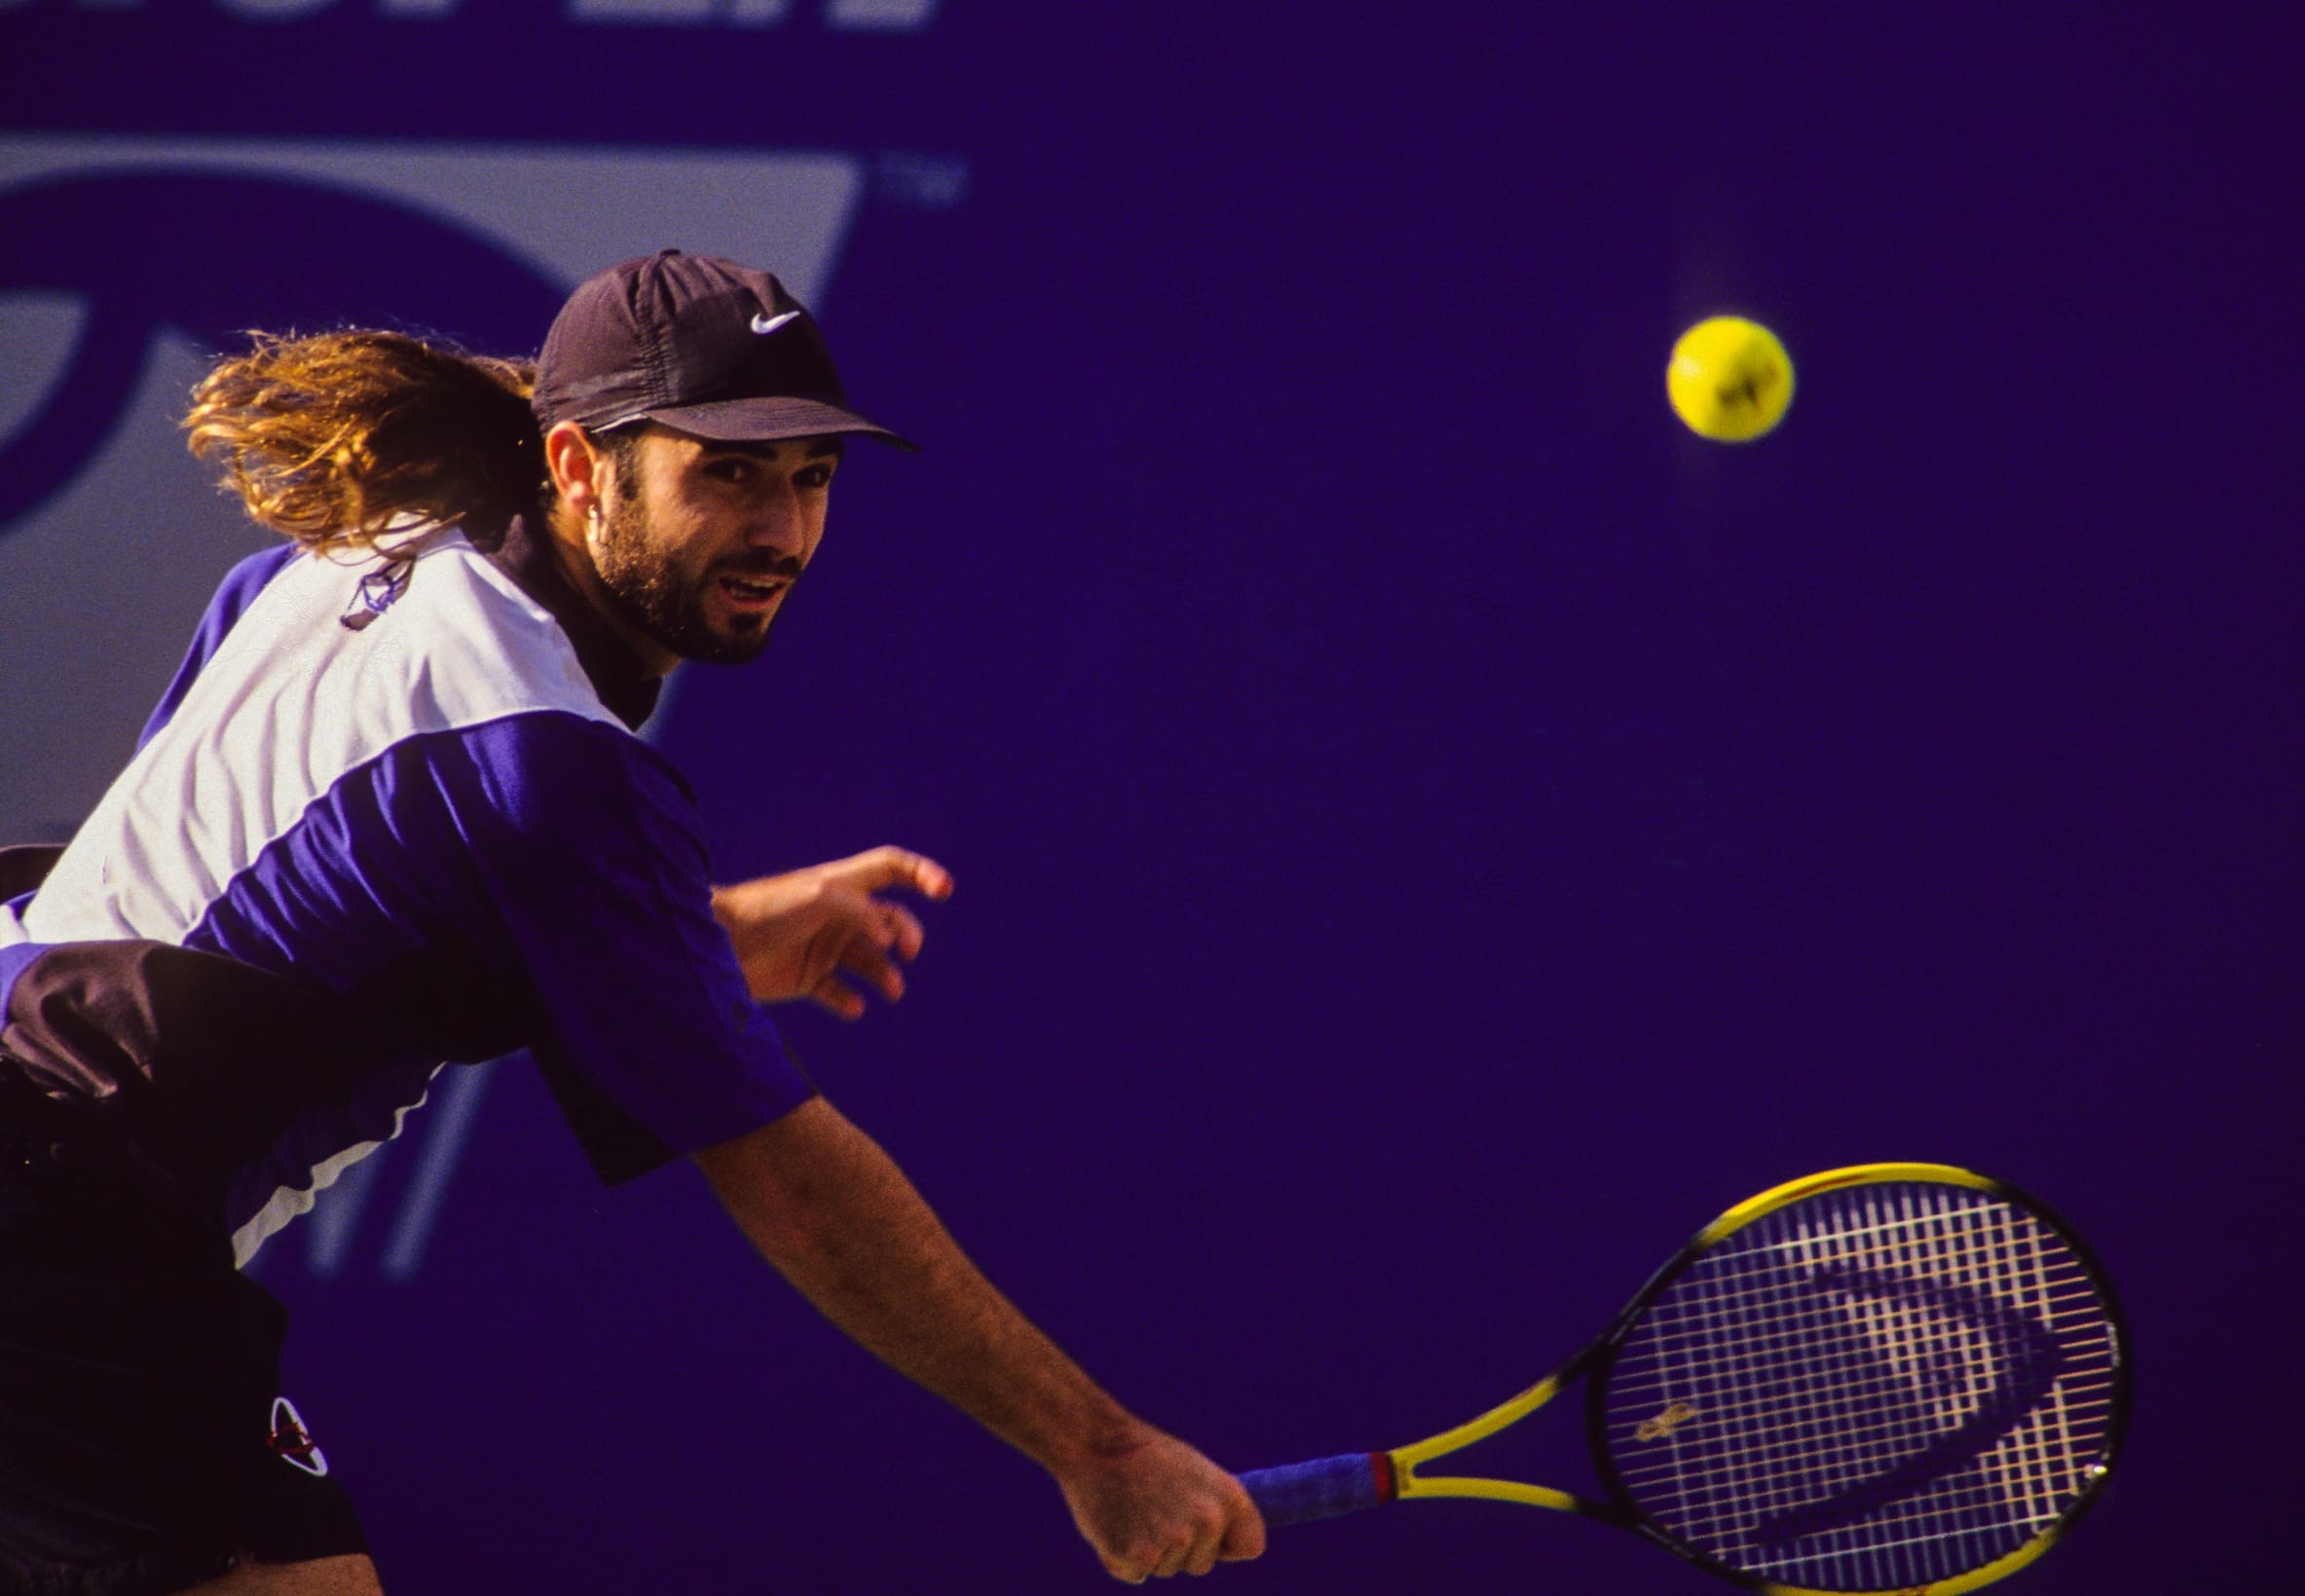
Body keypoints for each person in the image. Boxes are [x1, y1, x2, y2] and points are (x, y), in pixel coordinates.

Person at [0, 250, 1264, 1595]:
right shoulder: (556, 769)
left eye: (812, 478)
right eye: (728, 473)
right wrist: (1103, 1450)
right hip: (66, 1223)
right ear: (580, 466)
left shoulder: (349, 559)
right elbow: (795, 1186)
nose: (781, 531)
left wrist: (685, 938)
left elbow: (289, 896)